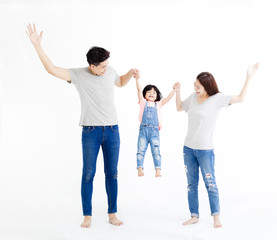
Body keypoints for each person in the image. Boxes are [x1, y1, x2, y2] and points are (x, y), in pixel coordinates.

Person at [26, 23, 139, 228]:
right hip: (91, 132)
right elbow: (51, 69)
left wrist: (130, 73)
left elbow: (120, 82)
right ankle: (87, 215)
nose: (106, 69)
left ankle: (112, 213)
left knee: (112, 173)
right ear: (91, 66)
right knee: (88, 173)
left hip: (113, 130)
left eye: (107, 65)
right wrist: (37, 46)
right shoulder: (78, 75)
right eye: (102, 66)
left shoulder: (109, 70)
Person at [175, 63, 259, 228]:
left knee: (210, 183)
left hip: (205, 150)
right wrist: (177, 92)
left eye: (198, 86)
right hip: (188, 149)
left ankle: (216, 217)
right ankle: (194, 215)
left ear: (207, 86)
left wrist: (248, 76)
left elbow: (241, 98)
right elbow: (179, 107)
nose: (195, 88)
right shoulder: (193, 97)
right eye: (194, 85)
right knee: (191, 184)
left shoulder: (217, 99)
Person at [135, 76, 177, 177]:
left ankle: (158, 170)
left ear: (157, 96)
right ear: (144, 94)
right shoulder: (143, 102)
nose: (151, 94)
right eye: (149, 92)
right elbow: (139, 89)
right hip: (143, 130)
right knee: (140, 150)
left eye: (154, 92)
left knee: (156, 151)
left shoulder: (158, 104)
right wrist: (137, 79)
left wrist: (174, 89)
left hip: (154, 131)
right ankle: (140, 168)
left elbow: (167, 98)